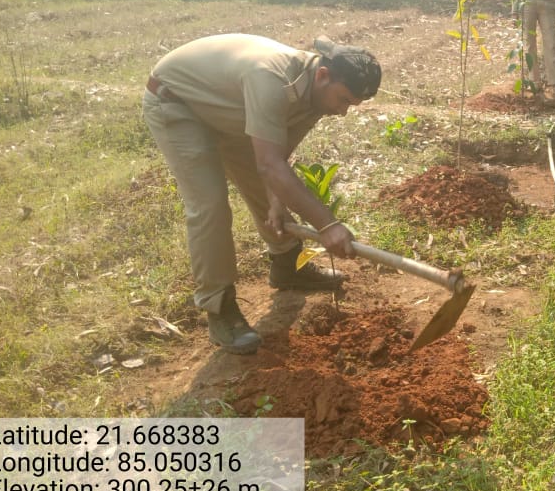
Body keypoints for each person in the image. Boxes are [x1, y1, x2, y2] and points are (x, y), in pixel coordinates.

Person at [142, 33, 381, 354]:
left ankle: (286, 264)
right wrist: (327, 224)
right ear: (323, 76)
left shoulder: (315, 95)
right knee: (210, 204)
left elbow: (276, 159)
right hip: (178, 102)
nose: (343, 112)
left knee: (270, 186)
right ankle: (219, 308)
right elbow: (270, 166)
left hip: (230, 109)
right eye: (343, 100)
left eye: (351, 105)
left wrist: (276, 201)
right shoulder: (272, 80)